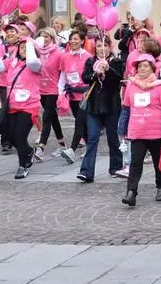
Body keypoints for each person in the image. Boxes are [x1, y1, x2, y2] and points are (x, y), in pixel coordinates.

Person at [118, 54, 161, 207]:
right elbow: (126, 109)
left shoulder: (160, 85)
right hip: (137, 131)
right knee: (135, 163)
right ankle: (131, 192)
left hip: (156, 132)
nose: (142, 68)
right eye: (140, 66)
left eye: (146, 66)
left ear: (152, 68)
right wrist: (121, 127)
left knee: (158, 163)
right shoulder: (131, 85)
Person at [0, 24, 43, 179]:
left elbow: (32, 61)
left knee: (20, 137)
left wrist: (28, 42)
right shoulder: (12, 63)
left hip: (29, 107)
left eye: (25, 48)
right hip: (13, 106)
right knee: (12, 136)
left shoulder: (35, 65)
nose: (22, 50)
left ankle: (23, 165)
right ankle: (29, 152)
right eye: (20, 48)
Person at [77, 36, 125, 182]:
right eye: (98, 46)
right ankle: (87, 171)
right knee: (92, 138)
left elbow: (119, 78)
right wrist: (95, 73)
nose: (102, 48)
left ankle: (116, 167)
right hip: (94, 106)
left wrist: (108, 69)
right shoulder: (90, 61)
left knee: (112, 138)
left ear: (110, 47)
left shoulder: (116, 61)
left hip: (112, 105)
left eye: (104, 46)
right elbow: (85, 77)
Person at [58, 30, 92, 163]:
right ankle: (89, 147)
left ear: (82, 41)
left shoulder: (88, 57)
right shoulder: (65, 57)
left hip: (85, 95)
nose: (73, 41)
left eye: (76, 39)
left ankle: (71, 150)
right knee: (81, 122)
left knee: (79, 122)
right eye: (71, 39)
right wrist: (61, 93)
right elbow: (63, 76)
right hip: (71, 94)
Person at [35, 28, 66, 161]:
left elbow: (63, 72)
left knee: (47, 117)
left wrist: (61, 90)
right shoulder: (38, 52)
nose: (44, 38)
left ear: (52, 38)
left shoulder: (58, 53)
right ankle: (62, 145)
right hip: (41, 89)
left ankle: (41, 148)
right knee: (53, 117)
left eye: (46, 36)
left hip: (53, 89)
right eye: (42, 36)